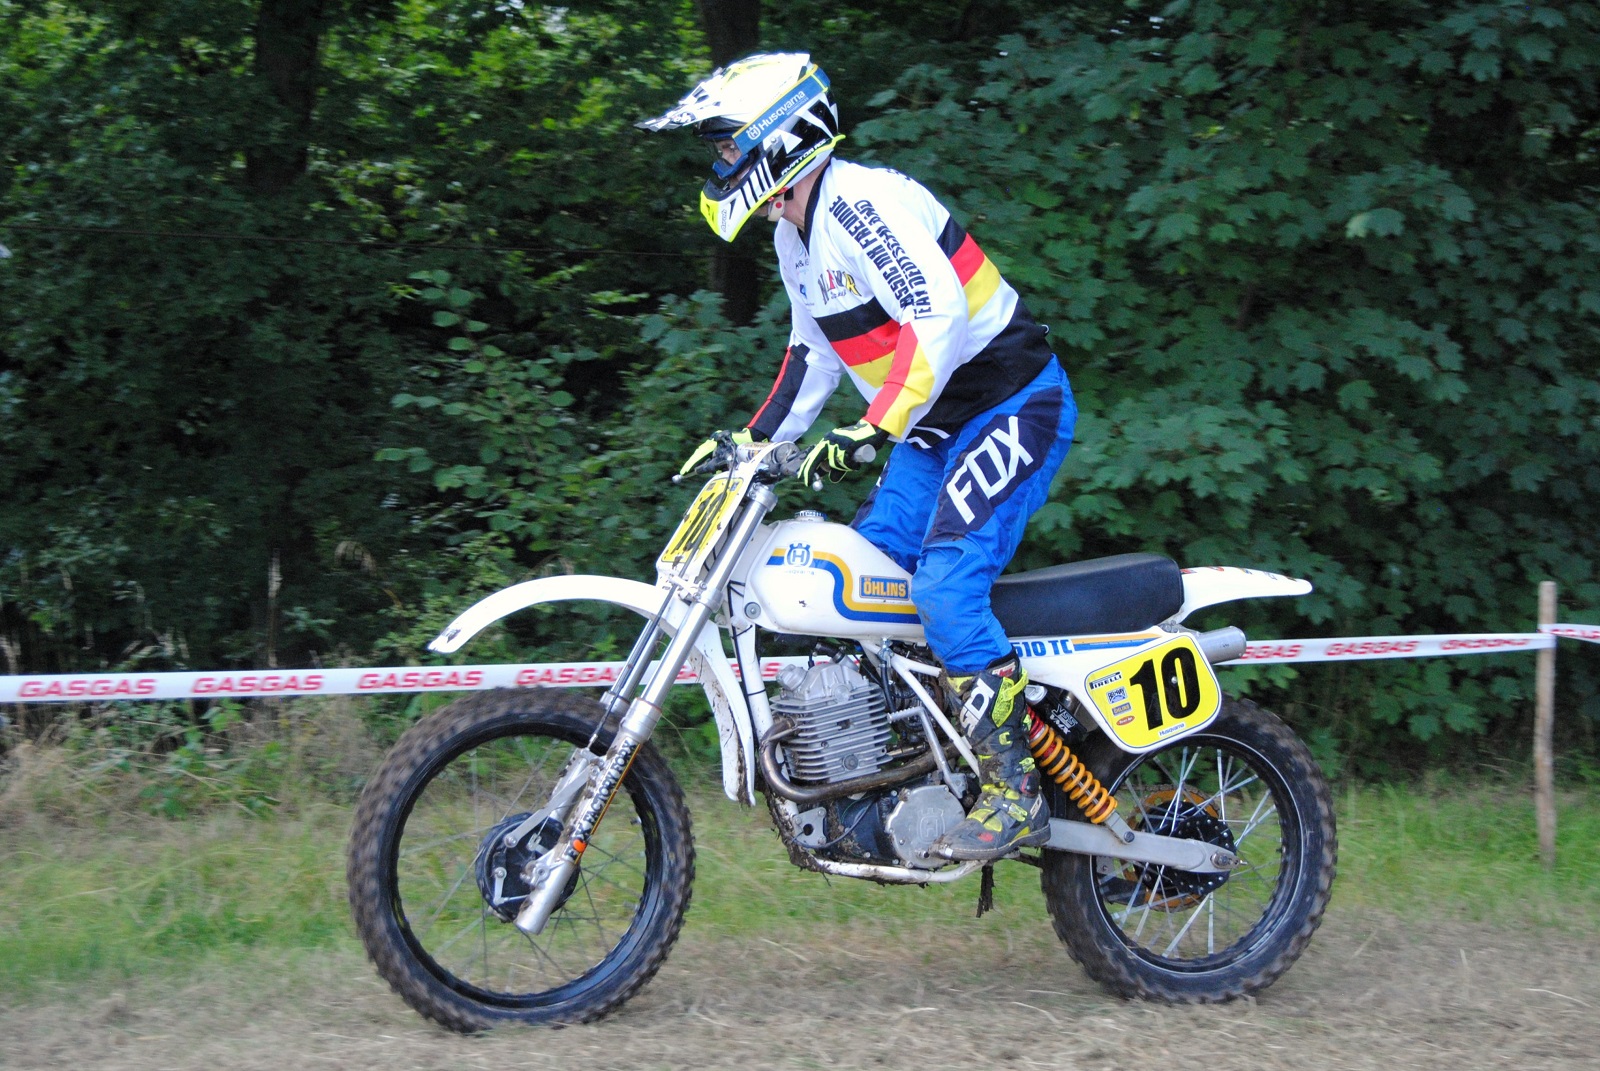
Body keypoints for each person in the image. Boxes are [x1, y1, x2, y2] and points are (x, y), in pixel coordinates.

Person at [639, 52, 1076, 861]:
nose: (721, 163)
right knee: (866, 586)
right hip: (934, 425)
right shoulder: (795, 235)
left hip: (1011, 403)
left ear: (778, 135)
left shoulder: (860, 204)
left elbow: (937, 315)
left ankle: (1016, 792)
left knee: (944, 587)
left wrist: (874, 427)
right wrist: (752, 444)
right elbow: (812, 354)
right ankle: (914, 772)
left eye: (729, 146)